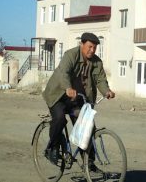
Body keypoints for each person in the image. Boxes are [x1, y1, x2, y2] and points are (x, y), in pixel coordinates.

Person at [42, 32, 115, 167]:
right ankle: (51, 147)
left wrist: (107, 91)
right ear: (82, 44)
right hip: (58, 95)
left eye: (94, 48)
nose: (92, 50)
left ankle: (89, 163)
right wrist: (68, 88)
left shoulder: (97, 62)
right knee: (59, 119)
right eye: (89, 47)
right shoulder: (70, 55)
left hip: (76, 99)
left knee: (87, 127)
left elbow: (100, 79)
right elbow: (64, 73)